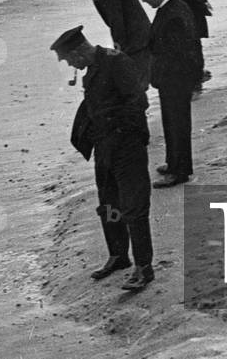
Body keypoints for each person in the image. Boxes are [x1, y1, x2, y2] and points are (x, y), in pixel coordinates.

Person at [52, 25, 154, 291]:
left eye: (69, 60)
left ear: (78, 51)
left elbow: (138, 101)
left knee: (133, 206)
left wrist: (120, 133)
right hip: (105, 149)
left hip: (127, 147)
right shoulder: (92, 70)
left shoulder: (116, 62)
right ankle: (118, 256)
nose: (70, 65)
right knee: (108, 204)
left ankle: (144, 267)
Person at [137, 0, 202, 187]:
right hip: (175, 78)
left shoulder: (172, 14)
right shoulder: (174, 7)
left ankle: (179, 171)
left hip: (175, 79)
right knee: (172, 123)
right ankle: (174, 163)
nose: (144, 0)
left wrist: (161, 76)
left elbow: (177, 53)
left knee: (177, 125)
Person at [83, 0, 151, 89]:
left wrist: (119, 50)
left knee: (136, 82)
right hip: (143, 39)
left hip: (136, 43)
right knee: (140, 78)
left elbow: (117, 25)